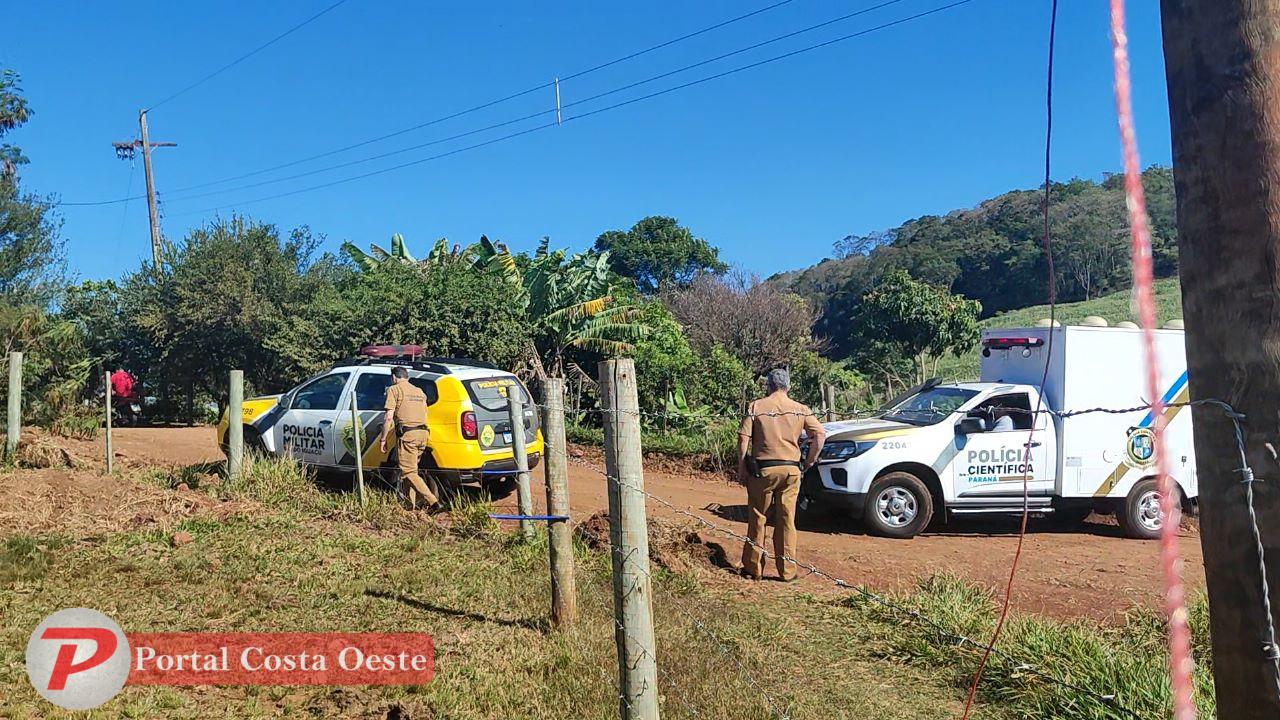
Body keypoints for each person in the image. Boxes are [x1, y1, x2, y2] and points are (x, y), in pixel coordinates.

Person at [736, 368, 825, 582]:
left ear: (769, 386)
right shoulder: (800, 409)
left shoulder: (757, 406)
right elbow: (820, 435)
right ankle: (787, 571)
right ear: (789, 386)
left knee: (758, 517)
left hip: (763, 470)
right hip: (791, 470)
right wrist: (810, 460)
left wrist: (741, 466)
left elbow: (743, 438)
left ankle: (753, 568)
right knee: (786, 519)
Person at [379, 367, 441, 512]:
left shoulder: (394, 390)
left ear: (394, 378)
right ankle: (409, 507)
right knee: (411, 471)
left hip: (408, 436)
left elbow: (388, 417)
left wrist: (383, 439)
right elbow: (425, 414)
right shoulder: (420, 392)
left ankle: (434, 502)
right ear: (406, 377)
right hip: (423, 434)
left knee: (408, 472)